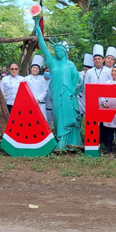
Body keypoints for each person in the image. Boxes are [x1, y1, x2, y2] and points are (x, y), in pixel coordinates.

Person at [33, 19, 82, 150]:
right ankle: (61, 140)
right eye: (56, 51)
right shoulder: (52, 62)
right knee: (59, 117)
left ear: (65, 52)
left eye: (61, 51)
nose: (58, 53)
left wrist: (74, 92)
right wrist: (38, 28)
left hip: (68, 95)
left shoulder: (70, 65)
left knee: (70, 116)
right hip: (56, 94)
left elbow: (77, 81)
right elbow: (43, 47)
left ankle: (73, 142)